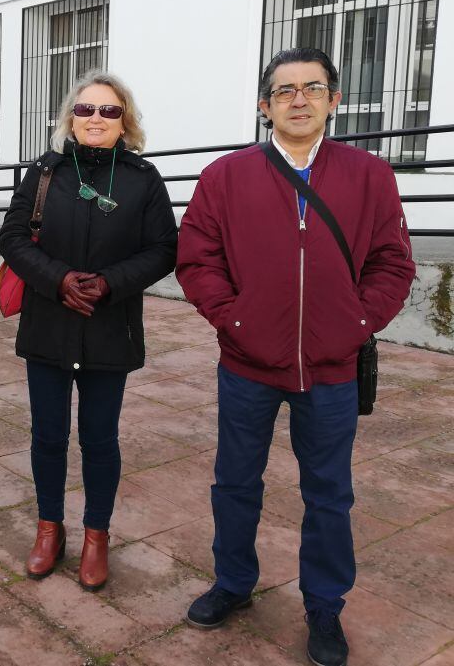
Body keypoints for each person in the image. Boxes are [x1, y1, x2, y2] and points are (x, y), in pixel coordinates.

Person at [176, 47, 415, 666]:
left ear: (334, 101)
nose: (300, 99)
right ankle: (233, 583)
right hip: (249, 364)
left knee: (329, 494)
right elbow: (197, 257)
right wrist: (232, 319)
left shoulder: (369, 175)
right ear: (265, 106)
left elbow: (393, 262)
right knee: (234, 483)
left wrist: (357, 323)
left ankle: (325, 607)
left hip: (332, 371)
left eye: (313, 88)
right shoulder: (226, 176)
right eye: (285, 91)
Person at [0, 69, 177, 591]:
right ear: (69, 119)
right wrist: (57, 280)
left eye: (108, 111)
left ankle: (96, 536)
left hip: (108, 329)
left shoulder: (143, 180)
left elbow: (164, 248)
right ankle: (49, 530)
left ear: (125, 122)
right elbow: (13, 237)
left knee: (100, 440)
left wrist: (109, 283)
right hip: (48, 327)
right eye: (85, 110)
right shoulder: (43, 173)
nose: (95, 118)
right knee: (48, 437)